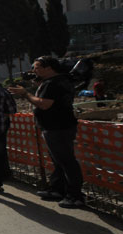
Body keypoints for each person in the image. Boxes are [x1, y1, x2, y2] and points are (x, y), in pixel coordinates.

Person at [9, 56, 85, 208]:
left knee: (66, 161)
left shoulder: (52, 84)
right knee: (58, 161)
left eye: (37, 67)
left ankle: (75, 196)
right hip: (57, 127)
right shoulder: (59, 81)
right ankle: (58, 189)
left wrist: (25, 93)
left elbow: (44, 104)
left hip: (57, 128)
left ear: (49, 68)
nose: (34, 70)